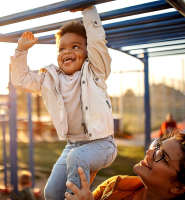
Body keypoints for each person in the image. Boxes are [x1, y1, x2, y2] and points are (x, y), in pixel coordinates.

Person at [10, 5, 117, 200]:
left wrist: (88, 11)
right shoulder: (50, 77)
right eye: (62, 48)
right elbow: (21, 80)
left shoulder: (95, 72)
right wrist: (20, 51)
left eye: (75, 46)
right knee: (50, 193)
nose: (67, 51)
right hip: (73, 145)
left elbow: (97, 42)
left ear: (86, 52)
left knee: (76, 160)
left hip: (102, 144)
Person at [65, 130, 185, 200]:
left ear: (179, 187)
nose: (149, 151)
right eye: (157, 146)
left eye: (162, 157)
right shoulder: (115, 185)